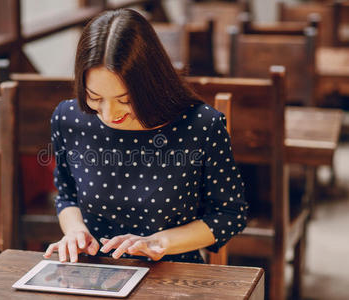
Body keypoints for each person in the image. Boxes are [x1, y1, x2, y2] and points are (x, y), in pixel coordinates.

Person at [44, 8, 247, 264]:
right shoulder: (68, 118)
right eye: (95, 98)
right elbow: (67, 195)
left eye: (125, 100)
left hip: (174, 272)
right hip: (95, 270)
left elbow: (229, 214)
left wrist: (159, 242)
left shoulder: (200, 125)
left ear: (150, 84)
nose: (109, 113)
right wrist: (75, 231)